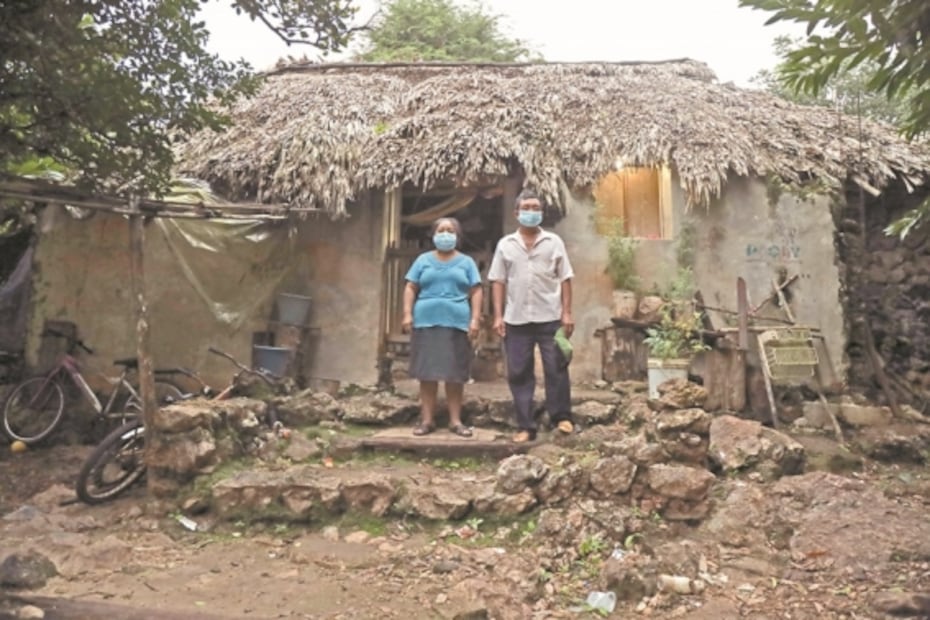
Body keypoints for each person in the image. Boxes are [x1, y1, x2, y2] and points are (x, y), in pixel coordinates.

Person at [488, 189, 575, 443]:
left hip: (550, 316)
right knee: (519, 372)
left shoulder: (553, 242)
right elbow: (497, 281)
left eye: (535, 208)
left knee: (556, 367)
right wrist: (497, 315)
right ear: (516, 213)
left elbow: (566, 278)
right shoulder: (506, 245)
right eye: (526, 208)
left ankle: (561, 417)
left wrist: (567, 312)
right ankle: (526, 425)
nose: (531, 212)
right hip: (516, 319)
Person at [402, 217, 483, 437]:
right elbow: (411, 287)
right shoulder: (422, 260)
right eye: (441, 230)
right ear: (433, 235)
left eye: (450, 231)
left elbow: (476, 290)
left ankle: (455, 421)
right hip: (426, 321)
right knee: (427, 373)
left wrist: (475, 319)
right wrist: (407, 314)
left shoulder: (466, 262)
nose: (445, 234)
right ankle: (427, 421)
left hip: (456, 322)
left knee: (454, 373)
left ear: (457, 237)